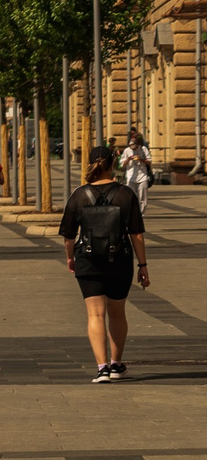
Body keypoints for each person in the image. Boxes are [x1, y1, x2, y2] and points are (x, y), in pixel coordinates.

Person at [60, 153, 149, 382]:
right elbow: (136, 233)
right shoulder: (125, 194)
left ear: (90, 165)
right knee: (117, 312)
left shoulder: (79, 195)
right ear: (112, 166)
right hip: (119, 260)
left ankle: (102, 369)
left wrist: (70, 258)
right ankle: (117, 365)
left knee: (95, 314)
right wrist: (143, 264)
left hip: (88, 261)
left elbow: (69, 236)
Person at [121, 133, 154, 214]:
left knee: (142, 197)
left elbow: (149, 161)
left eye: (134, 147)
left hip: (142, 176)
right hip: (130, 177)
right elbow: (121, 165)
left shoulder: (143, 149)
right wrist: (128, 159)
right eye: (131, 147)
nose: (133, 149)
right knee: (130, 196)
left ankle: (141, 214)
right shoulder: (126, 151)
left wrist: (141, 159)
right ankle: (132, 213)